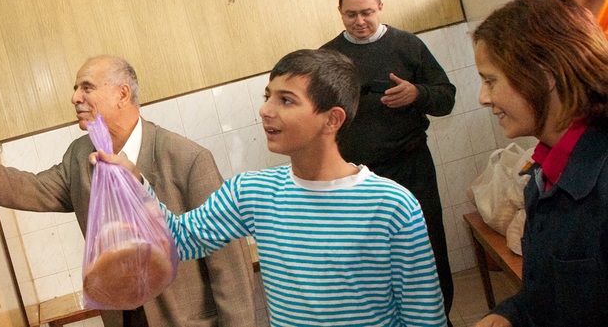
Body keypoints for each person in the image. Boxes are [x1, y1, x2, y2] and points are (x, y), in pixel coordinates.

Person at [96, 49, 447, 327]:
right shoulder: (253, 192)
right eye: (268, 96)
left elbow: (423, 316)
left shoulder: (391, 205)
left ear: (332, 119)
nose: (265, 111)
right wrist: (136, 183)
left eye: (286, 100)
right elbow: (179, 239)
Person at [0, 55, 255, 327]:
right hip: (121, 317)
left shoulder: (187, 159)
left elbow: (229, 266)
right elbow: (37, 189)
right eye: (76, 89)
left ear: (122, 94)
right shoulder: (80, 156)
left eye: (86, 87)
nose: (75, 98)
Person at [320, 0, 456, 319]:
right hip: (357, 177)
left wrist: (417, 94)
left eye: (366, 12)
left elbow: (446, 97)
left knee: (428, 245)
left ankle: (440, 318)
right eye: (351, 15)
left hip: (412, 166)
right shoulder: (328, 58)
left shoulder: (408, 46)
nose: (360, 21)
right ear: (339, 12)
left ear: (381, 7)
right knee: (370, 258)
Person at [471, 0, 608, 327]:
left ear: (545, 75)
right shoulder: (543, 177)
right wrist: (510, 316)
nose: (483, 98)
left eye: (491, 80)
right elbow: (552, 295)